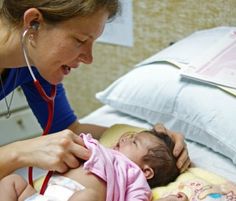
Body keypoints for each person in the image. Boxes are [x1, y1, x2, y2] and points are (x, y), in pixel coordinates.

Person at [0, 0, 190, 184]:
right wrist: (18, 152)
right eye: (80, 40)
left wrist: (154, 141)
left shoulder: (33, 65)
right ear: (34, 22)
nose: (89, 58)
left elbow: (70, 129)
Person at [0, 125, 189, 201]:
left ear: (147, 172)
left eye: (133, 142)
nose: (124, 138)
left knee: (87, 196)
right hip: (41, 197)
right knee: (12, 181)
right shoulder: (99, 147)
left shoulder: (134, 175)